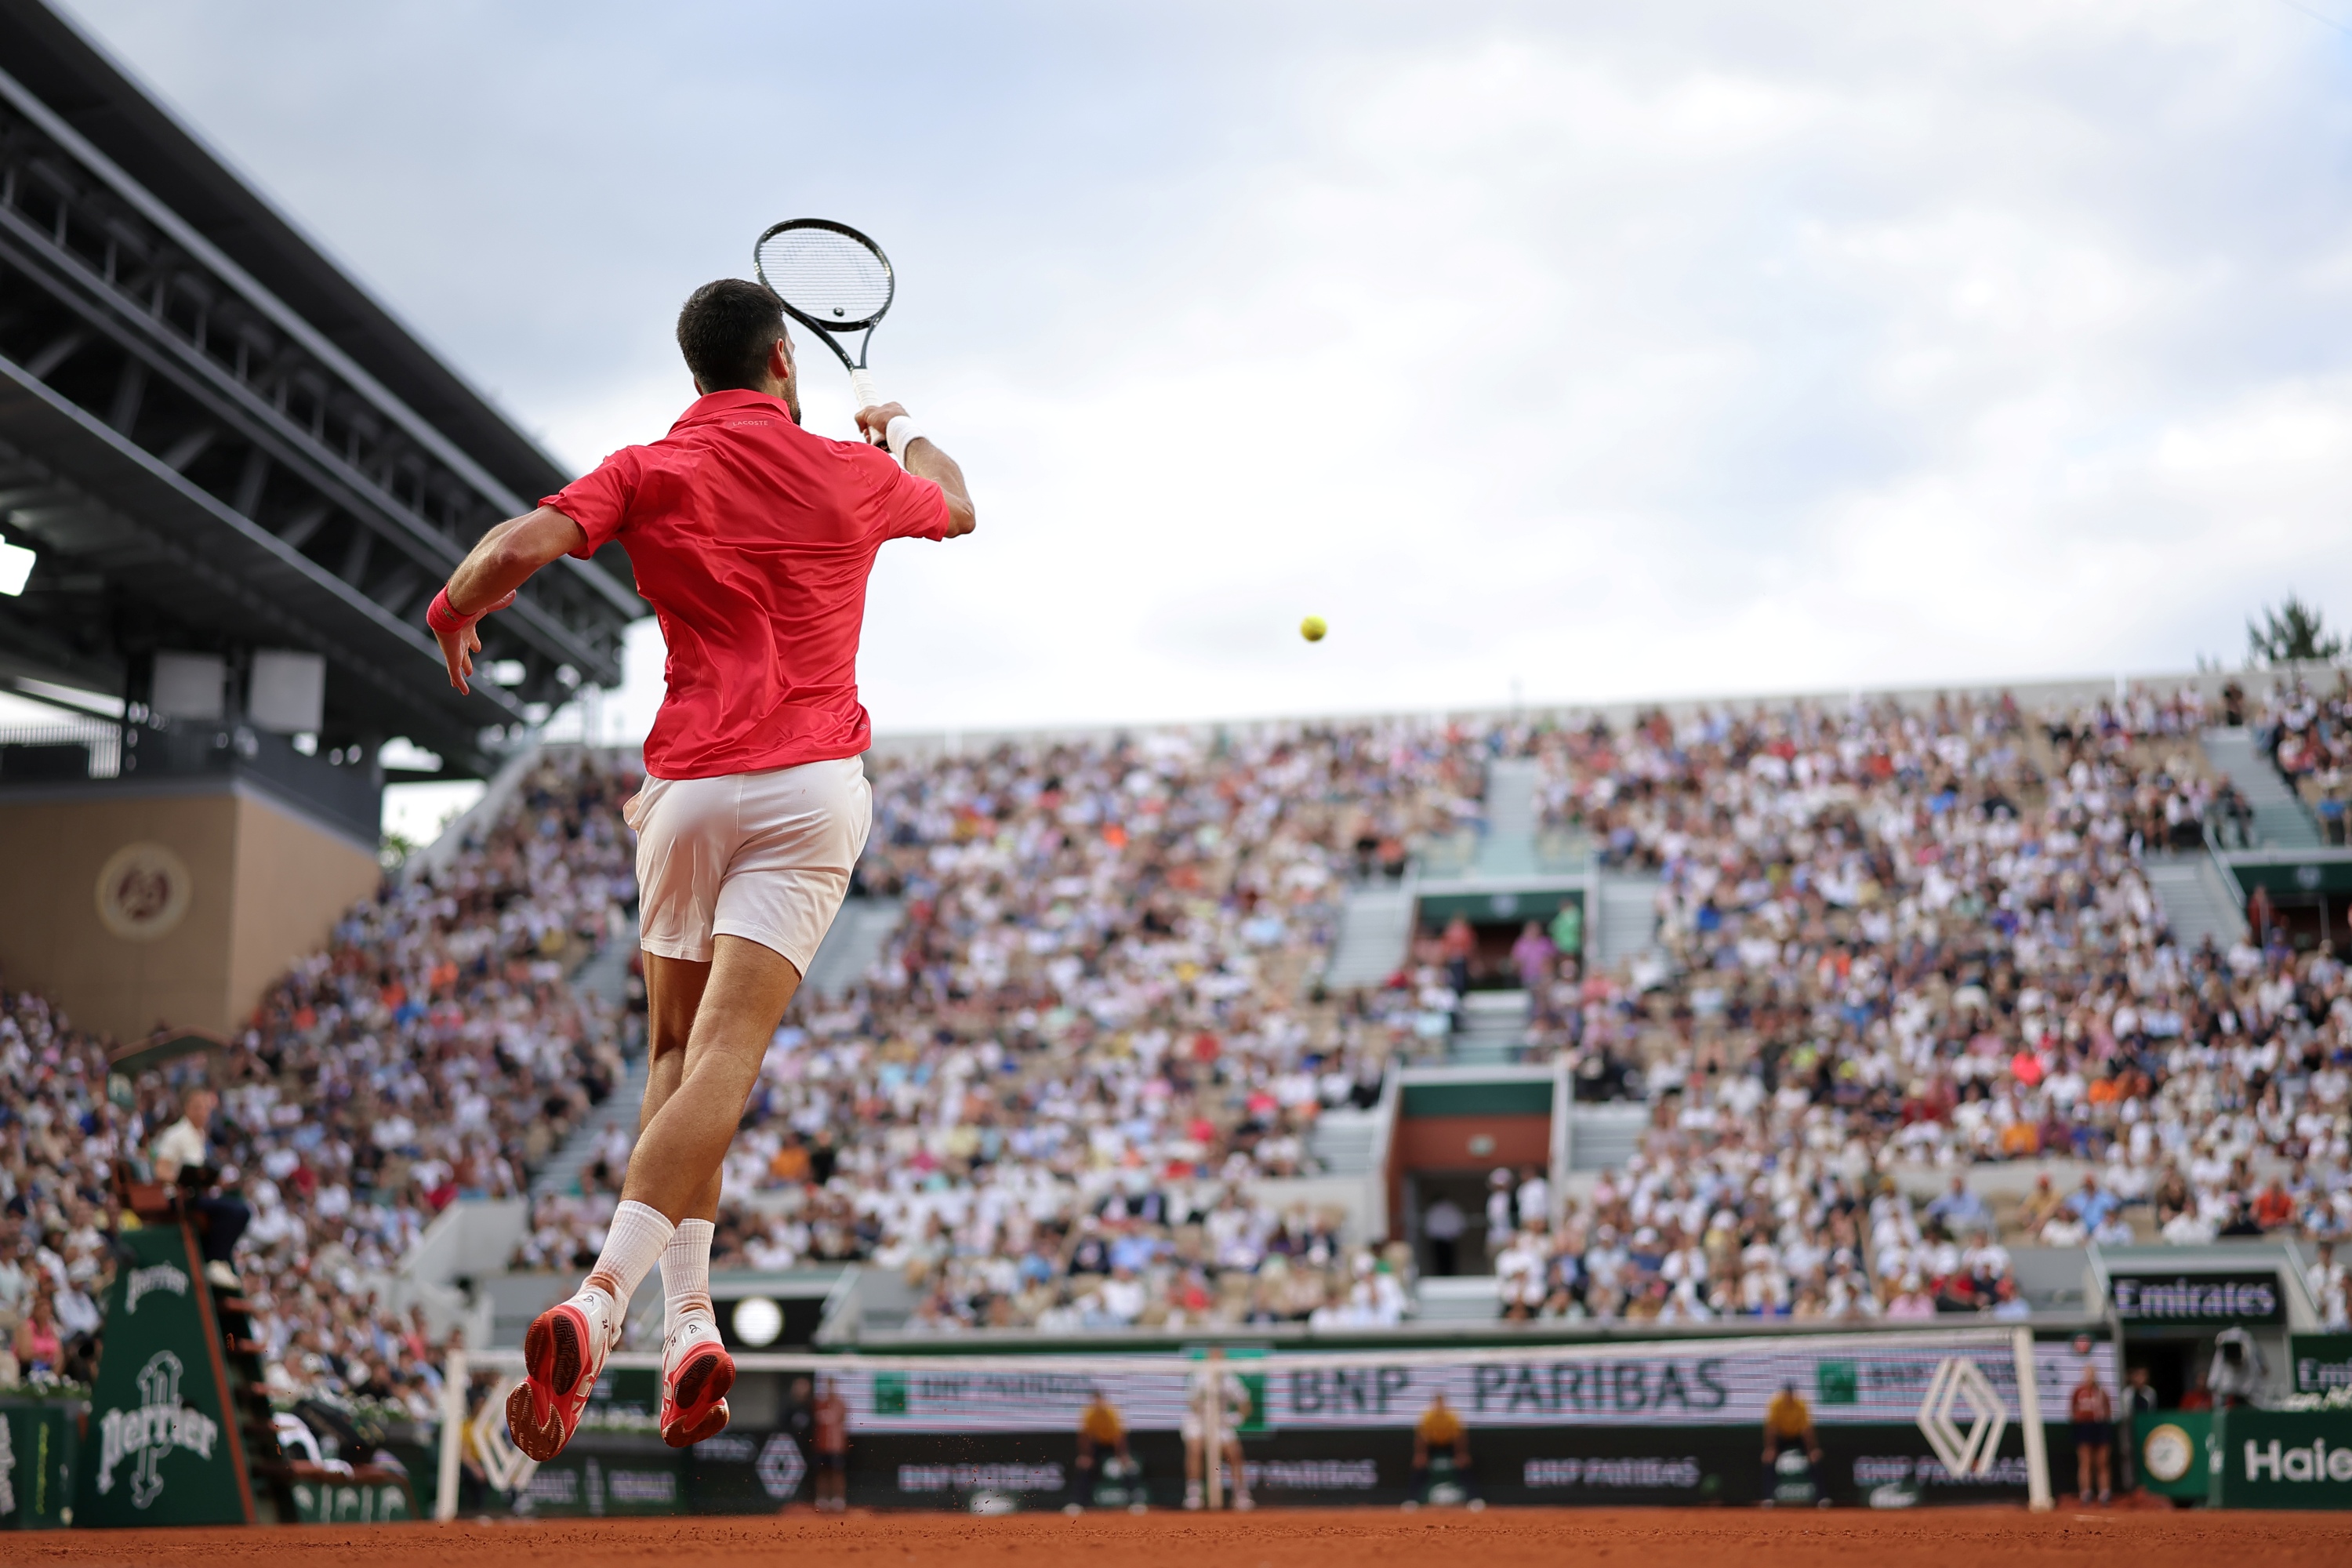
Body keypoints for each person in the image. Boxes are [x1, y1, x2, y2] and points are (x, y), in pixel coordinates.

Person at [447, 278, 976, 1461]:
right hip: (811, 786)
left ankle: (690, 1323)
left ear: (698, 373)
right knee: (726, 1059)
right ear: (785, 358)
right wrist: (897, 428)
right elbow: (958, 504)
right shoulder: (849, 473)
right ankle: (605, 1299)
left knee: (673, 1057)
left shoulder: (649, 466)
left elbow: (517, 546)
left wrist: (451, 609)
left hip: (686, 790)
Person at [152, 1089, 250, 1290]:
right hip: (178, 1198)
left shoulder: (198, 1135)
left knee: (238, 1206)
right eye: (197, 1107)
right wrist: (182, 1181)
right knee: (237, 1211)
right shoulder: (177, 1134)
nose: (202, 1112)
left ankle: (219, 1260)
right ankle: (214, 1260)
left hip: (196, 1195)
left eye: (206, 1108)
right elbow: (161, 1170)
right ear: (187, 1108)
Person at [1181, 1359, 1253, 1511]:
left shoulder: (1230, 1379)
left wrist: (1234, 1419)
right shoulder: (1199, 1377)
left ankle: (1240, 1495)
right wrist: (1208, 1417)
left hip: (1221, 1422)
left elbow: (1246, 1405)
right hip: (1198, 1421)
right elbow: (1193, 1403)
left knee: (1234, 1453)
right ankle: (1194, 1494)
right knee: (1195, 1448)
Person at [1761, 1381, 1821, 1504]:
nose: (1789, 1396)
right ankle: (1768, 1498)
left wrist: (1812, 1450)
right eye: (1787, 1394)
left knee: (1815, 1460)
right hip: (1781, 1436)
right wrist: (1770, 1448)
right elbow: (1771, 1428)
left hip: (1797, 1436)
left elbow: (1807, 1430)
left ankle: (1821, 1497)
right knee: (1769, 1460)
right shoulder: (1775, 1403)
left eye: (1791, 1394)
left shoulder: (1801, 1404)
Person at [1412, 1390, 1473, 1504]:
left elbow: (1460, 1437)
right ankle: (1413, 1500)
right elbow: (1421, 1437)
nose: (1439, 1405)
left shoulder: (1452, 1416)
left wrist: (1461, 1454)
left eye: (1441, 1402)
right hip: (1433, 1445)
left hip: (1449, 1445)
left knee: (1465, 1468)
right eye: (1437, 1402)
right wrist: (1421, 1455)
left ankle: (1473, 1498)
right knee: (1419, 1469)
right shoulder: (1428, 1416)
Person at [1074, 1386, 1131, 1504]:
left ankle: (1134, 1501)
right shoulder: (1089, 1413)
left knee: (1128, 1468)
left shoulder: (1112, 1412)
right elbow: (1084, 1437)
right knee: (1085, 1468)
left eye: (1099, 1400)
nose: (1098, 1403)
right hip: (1097, 1444)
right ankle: (1080, 1502)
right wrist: (1086, 1455)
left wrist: (1122, 1455)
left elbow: (1120, 1436)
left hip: (1112, 1443)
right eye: (1095, 1400)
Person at [2067, 1361, 2112, 1504]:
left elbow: (2108, 1411)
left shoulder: (2101, 1392)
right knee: (2085, 1462)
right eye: (2087, 1373)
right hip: (2084, 1428)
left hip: (2100, 1427)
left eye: (2092, 1373)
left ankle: (2104, 1493)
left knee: (2102, 1462)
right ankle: (2086, 1493)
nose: (2090, 1376)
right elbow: (2072, 1411)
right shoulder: (2078, 1391)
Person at [812, 1376, 851, 1512]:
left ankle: (838, 1499)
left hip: (836, 1446)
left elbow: (843, 1419)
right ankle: (822, 1499)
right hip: (821, 1445)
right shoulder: (819, 1403)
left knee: (837, 1472)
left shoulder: (839, 1403)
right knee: (822, 1472)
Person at [2117, 1366, 2158, 1493]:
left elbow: (2152, 1412)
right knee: (2128, 1455)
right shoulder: (2126, 1394)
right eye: (2137, 1376)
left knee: (2147, 1454)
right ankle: (2130, 1487)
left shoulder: (2150, 1393)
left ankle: (2147, 1485)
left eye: (2143, 1376)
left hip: (2146, 1429)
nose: (2140, 1379)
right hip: (2129, 1429)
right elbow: (2124, 1415)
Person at [1423, 1196, 1466, 1277]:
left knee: (1444, 1262)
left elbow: (1429, 1225)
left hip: (1444, 1239)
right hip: (1443, 1239)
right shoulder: (1449, 1208)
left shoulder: (1437, 1209)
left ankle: (1445, 1275)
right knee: (1445, 1261)